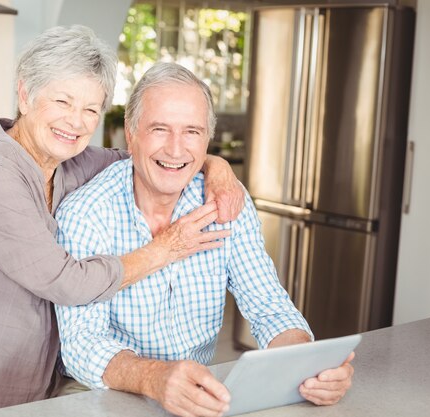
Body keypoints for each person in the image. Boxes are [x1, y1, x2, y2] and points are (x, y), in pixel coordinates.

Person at [0, 26, 244, 417]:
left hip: (31, 382)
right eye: (63, 101)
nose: (76, 122)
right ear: (25, 95)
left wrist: (216, 164)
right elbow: (68, 281)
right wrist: (165, 248)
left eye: (91, 109)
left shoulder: (72, 162)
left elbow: (153, 158)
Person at [55, 62, 355, 417]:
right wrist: (155, 378)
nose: (176, 149)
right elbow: (81, 341)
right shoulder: (86, 213)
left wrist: (309, 364)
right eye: (160, 129)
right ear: (131, 134)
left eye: (192, 132)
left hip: (191, 396)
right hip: (100, 393)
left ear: (207, 140)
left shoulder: (226, 203)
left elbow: (268, 306)